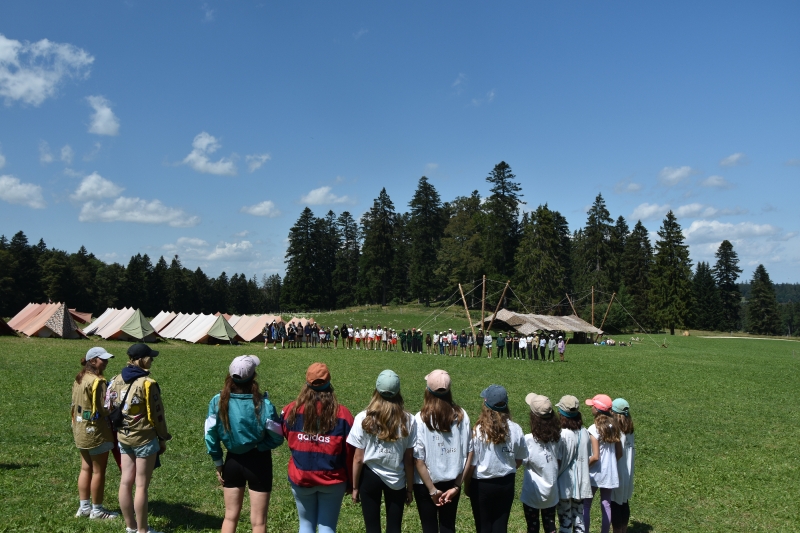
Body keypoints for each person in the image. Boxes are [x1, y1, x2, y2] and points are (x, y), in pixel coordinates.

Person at [205, 355, 283, 533]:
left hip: (232, 461)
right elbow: (278, 436)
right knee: (259, 523)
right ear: (253, 376)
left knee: (230, 517)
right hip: (259, 462)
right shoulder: (264, 404)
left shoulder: (218, 401)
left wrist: (218, 462)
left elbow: (210, 434)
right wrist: (260, 446)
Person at [282, 363, 355, 533]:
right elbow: (350, 451)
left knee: (305, 525)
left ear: (307, 383)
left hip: (301, 477)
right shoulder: (343, 414)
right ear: (329, 384)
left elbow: (286, 434)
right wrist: (352, 482)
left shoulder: (291, 410)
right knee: (327, 526)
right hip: (333, 479)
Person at [107, 343, 171, 533]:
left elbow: (108, 406)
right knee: (141, 486)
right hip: (144, 438)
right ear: (141, 360)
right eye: (150, 357)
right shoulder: (148, 384)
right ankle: (142, 530)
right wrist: (163, 438)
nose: (152, 360)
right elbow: (157, 415)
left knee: (125, 482)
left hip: (123, 437)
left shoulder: (115, 379)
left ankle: (130, 526)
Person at [348, 370, 417, 533]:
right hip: (396, 477)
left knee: (372, 528)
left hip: (370, 476)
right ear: (398, 392)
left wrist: (355, 487)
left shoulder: (363, 418)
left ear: (376, 390)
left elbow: (358, 458)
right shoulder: (409, 420)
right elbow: (409, 460)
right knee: (394, 528)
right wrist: (409, 488)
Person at [412, 370, 472, 533]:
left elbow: (418, 460)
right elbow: (469, 453)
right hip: (452, 482)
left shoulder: (420, 419)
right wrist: (457, 486)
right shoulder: (462, 416)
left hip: (425, 484)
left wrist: (432, 490)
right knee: (448, 527)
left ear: (427, 391)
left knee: (429, 528)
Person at [463, 385, 527, 533]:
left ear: (486, 405)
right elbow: (519, 459)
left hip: (482, 485)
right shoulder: (516, 429)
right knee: (500, 527)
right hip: (506, 483)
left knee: (483, 527)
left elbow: (471, 464)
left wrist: (467, 484)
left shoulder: (478, 431)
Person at [72, 347, 119, 520]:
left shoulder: (80, 378)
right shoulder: (98, 382)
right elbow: (104, 408)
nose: (106, 362)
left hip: (80, 429)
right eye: (102, 359)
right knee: (98, 471)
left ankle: (84, 507)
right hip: (96, 431)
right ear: (92, 361)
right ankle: (97, 510)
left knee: (85, 468)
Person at [520, 394, 562, 533]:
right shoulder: (558, 438)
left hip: (532, 493)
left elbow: (521, 461)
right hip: (551, 493)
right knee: (550, 525)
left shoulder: (528, 440)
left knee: (532, 527)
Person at [583, 395, 622, 533]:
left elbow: (595, 457)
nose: (591, 408)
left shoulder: (594, 429)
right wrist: (611, 465)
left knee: (586, 505)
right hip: (610, 473)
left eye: (592, 406)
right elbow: (619, 453)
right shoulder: (615, 427)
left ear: (598, 410)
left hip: (595, 472)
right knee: (606, 504)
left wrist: (583, 467)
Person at [554, 396, 591, 533]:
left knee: (565, 521)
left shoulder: (562, 434)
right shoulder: (585, 432)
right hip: (581, 483)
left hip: (564, 483)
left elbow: (558, 459)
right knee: (579, 520)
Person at [610, 399, 635, 533]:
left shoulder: (616, 430)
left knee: (615, 503)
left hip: (618, 470)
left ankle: (617, 531)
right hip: (628, 470)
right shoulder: (629, 429)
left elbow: (617, 453)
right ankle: (623, 530)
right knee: (624, 502)